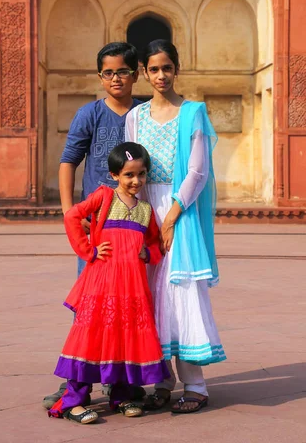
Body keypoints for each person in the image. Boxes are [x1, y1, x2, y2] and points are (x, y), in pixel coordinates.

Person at [125, 39, 226, 415]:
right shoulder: (135, 117)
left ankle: (196, 385)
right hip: (144, 209)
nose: (161, 75)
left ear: (176, 69)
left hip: (177, 211)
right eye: (154, 69)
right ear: (145, 74)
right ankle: (161, 381)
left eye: (167, 67)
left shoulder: (193, 112)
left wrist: (171, 217)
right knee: (149, 295)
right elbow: (130, 168)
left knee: (180, 292)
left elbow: (198, 171)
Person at [43, 42, 142, 409]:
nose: (116, 78)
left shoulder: (144, 114)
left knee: (128, 306)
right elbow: (69, 161)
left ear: (135, 73)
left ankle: (123, 381)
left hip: (132, 229)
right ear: (100, 76)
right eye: (108, 72)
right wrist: (73, 214)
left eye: (123, 71)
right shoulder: (90, 114)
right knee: (92, 306)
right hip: (98, 230)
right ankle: (77, 381)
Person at [48, 142, 169, 424]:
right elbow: (72, 216)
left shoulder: (146, 210)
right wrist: (88, 251)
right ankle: (73, 401)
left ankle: (121, 396)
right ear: (115, 175)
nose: (136, 181)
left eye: (141, 174)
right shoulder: (103, 197)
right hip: (101, 282)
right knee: (90, 337)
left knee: (125, 338)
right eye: (128, 175)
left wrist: (147, 253)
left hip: (132, 288)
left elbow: (155, 244)